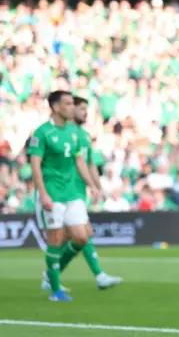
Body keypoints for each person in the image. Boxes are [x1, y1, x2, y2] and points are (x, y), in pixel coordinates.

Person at [41, 96, 122, 292]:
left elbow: (89, 163)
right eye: (81, 108)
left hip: (79, 191)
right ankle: (98, 275)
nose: (85, 113)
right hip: (63, 191)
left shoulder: (84, 135)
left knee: (78, 237)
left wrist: (97, 186)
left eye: (87, 109)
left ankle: (52, 274)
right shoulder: (59, 134)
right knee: (82, 235)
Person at [28, 90, 100, 301]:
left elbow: (80, 161)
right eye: (67, 104)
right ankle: (56, 290)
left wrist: (92, 185)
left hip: (72, 194)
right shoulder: (42, 133)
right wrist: (43, 194)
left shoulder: (74, 133)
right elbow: (35, 167)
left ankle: (52, 273)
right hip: (53, 194)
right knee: (56, 240)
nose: (71, 107)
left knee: (81, 237)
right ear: (56, 107)